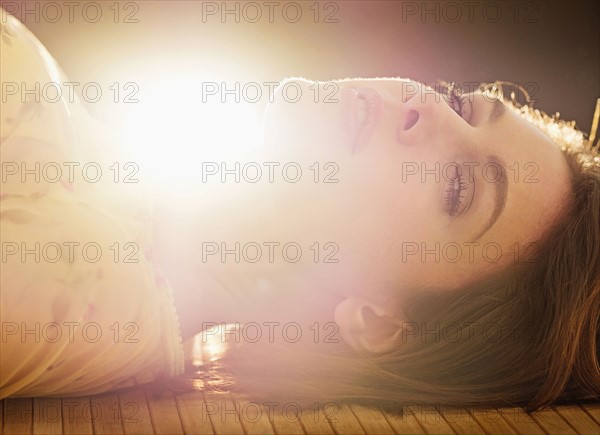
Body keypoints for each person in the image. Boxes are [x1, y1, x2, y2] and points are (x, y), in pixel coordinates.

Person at [1, 7, 598, 411]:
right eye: (461, 106)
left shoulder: (77, 305)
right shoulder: (127, 201)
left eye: (457, 190)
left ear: (376, 317)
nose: (428, 107)